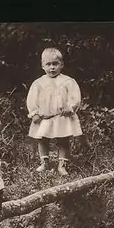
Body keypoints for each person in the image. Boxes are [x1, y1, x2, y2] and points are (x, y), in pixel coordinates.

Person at [26, 47, 83, 175]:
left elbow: (75, 98)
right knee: (42, 139)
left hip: (61, 116)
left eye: (55, 64)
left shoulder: (68, 81)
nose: (52, 67)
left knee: (63, 140)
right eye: (48, 64)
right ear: (42, 66)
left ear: (61, 65)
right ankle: (44, 162)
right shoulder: (38, 83)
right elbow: (31, 99)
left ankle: (62, 165)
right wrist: (34, 112)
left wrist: (70, 108)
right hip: (44, 117)